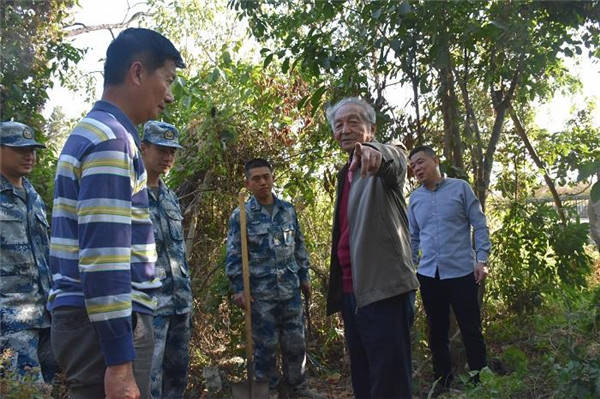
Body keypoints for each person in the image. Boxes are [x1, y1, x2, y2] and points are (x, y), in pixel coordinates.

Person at [48, 28, 185, 399]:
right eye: (168, 81)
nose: (170, 96)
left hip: (97, 323)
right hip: (104, 327)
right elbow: (104, 257)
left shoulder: (100, 132)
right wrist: (120, 362)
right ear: (138, 73)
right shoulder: (110, 140)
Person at [324, 97, 419, 399]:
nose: (344, 129)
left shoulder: (379, 162)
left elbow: (397, 157)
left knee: (390, 381)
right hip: (353, 292)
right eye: (338, 125)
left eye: (353, 121)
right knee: (364, 377)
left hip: (384, 289)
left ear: (371, 128)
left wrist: (376, 151)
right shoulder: (345, 173)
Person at [225, 159, 321, 398]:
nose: (262, 182)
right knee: (265, 348)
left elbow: (299, 245)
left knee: (296, 345)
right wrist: (239, 288)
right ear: (248, 183)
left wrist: (304, 276)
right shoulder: (241, 216)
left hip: (290, 291)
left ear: (272, 178)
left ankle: (298, 389)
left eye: (266, 176)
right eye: (256, 178)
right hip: (260, 295)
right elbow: (234, 255)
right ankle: (270, 392)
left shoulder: (287, 210)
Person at [407, 145, 490, 390]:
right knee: (437, 332)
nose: (417, 169)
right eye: (413, 166)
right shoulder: (415, 198)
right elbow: (413, 237)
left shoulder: (460, 188)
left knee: (471, 329)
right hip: (429, 275)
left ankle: (479, 380)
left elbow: (480, 224)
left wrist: (482, 259)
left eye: (421, 162)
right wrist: (411, 267)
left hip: (462, 272)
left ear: (435, 160)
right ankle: (442, 382)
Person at [0, 121, 57, 383]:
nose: (29, 155)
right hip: (10, 319)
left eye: (32, 150)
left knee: (45, 387)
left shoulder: (32, 195)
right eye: (20, 149)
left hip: (44, 314)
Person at [140, 121, 192, 399]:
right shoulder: (128, 195)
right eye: (161, 150)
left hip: (180, 304)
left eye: (172, 151)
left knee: (177, 375)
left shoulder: (170, 196)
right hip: (150, 307)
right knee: (150, 379)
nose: (168, 157)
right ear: (143, 147)